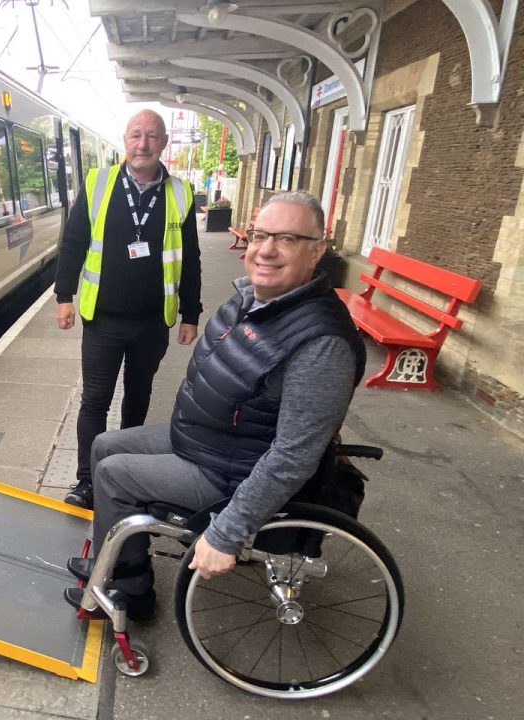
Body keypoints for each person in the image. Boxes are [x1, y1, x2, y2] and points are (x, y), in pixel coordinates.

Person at [64, 191, 366, 620]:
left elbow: (294, 457)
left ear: (316, 250)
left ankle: (132, 591)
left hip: (233, 471)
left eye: (287, 239)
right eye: (260, 234)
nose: (266, 249)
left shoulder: (321, 344)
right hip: (211, 441)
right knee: (105, 446)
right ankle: (113, 557)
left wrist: (228, 531)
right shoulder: (253, 299)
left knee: (114, 475)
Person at [53, 109, 202, 510]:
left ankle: (122, 475)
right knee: (95, 401)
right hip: (103, 320)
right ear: (125, 139)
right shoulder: (99, 183)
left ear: (164, 142)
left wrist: (191, 313)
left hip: (153, 322)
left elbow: (190, 259)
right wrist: (63, 296)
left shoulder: (180, 192)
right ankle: (86, 481)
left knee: (138, 397)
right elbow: (73, 243)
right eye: (136, 135)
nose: (143, 143)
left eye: (152, 136)